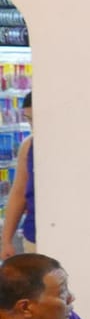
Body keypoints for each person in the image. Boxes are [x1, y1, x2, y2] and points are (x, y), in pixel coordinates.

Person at [1, 89, 32, 259]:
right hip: (34, 234)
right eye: (29, 120)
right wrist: (6, 240)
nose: (33, 126)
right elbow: (18, 193)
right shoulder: (28, 146)